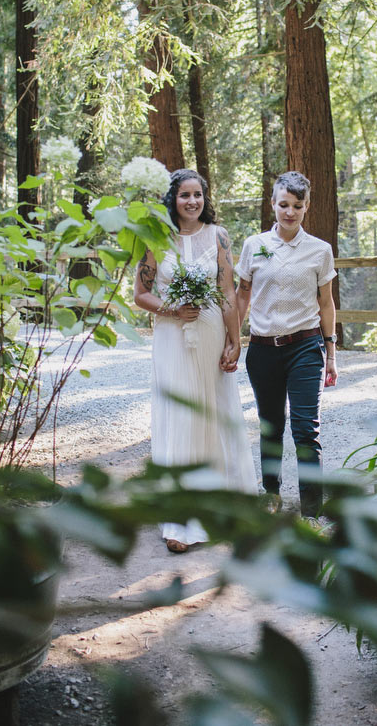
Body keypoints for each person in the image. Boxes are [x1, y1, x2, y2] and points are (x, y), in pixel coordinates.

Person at [134, 168, 257, 553]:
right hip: (171, 337)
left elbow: (226, 292)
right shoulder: (155, 237)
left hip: (209, 334)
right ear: (173, 199)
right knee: (180, 415)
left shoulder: (218, 236)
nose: (192, 202)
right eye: (185, 195)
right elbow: (140, 293)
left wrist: (234, 341)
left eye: (198, 195)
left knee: (214, 411)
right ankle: (180, 519)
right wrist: (170, 309)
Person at [235, 171, 338, 519]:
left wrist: (331, 354)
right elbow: (242, 295)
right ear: (273, 205)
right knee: (270, 424)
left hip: (305, 347)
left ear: (306, 207)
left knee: (306, 428)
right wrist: (233, 340)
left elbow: (326, 304)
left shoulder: (319, 251)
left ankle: (311, 507)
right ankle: (271, 492)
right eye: (283, 204)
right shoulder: (254, 245)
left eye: (297, 205)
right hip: (263, 349)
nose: (289, 212)